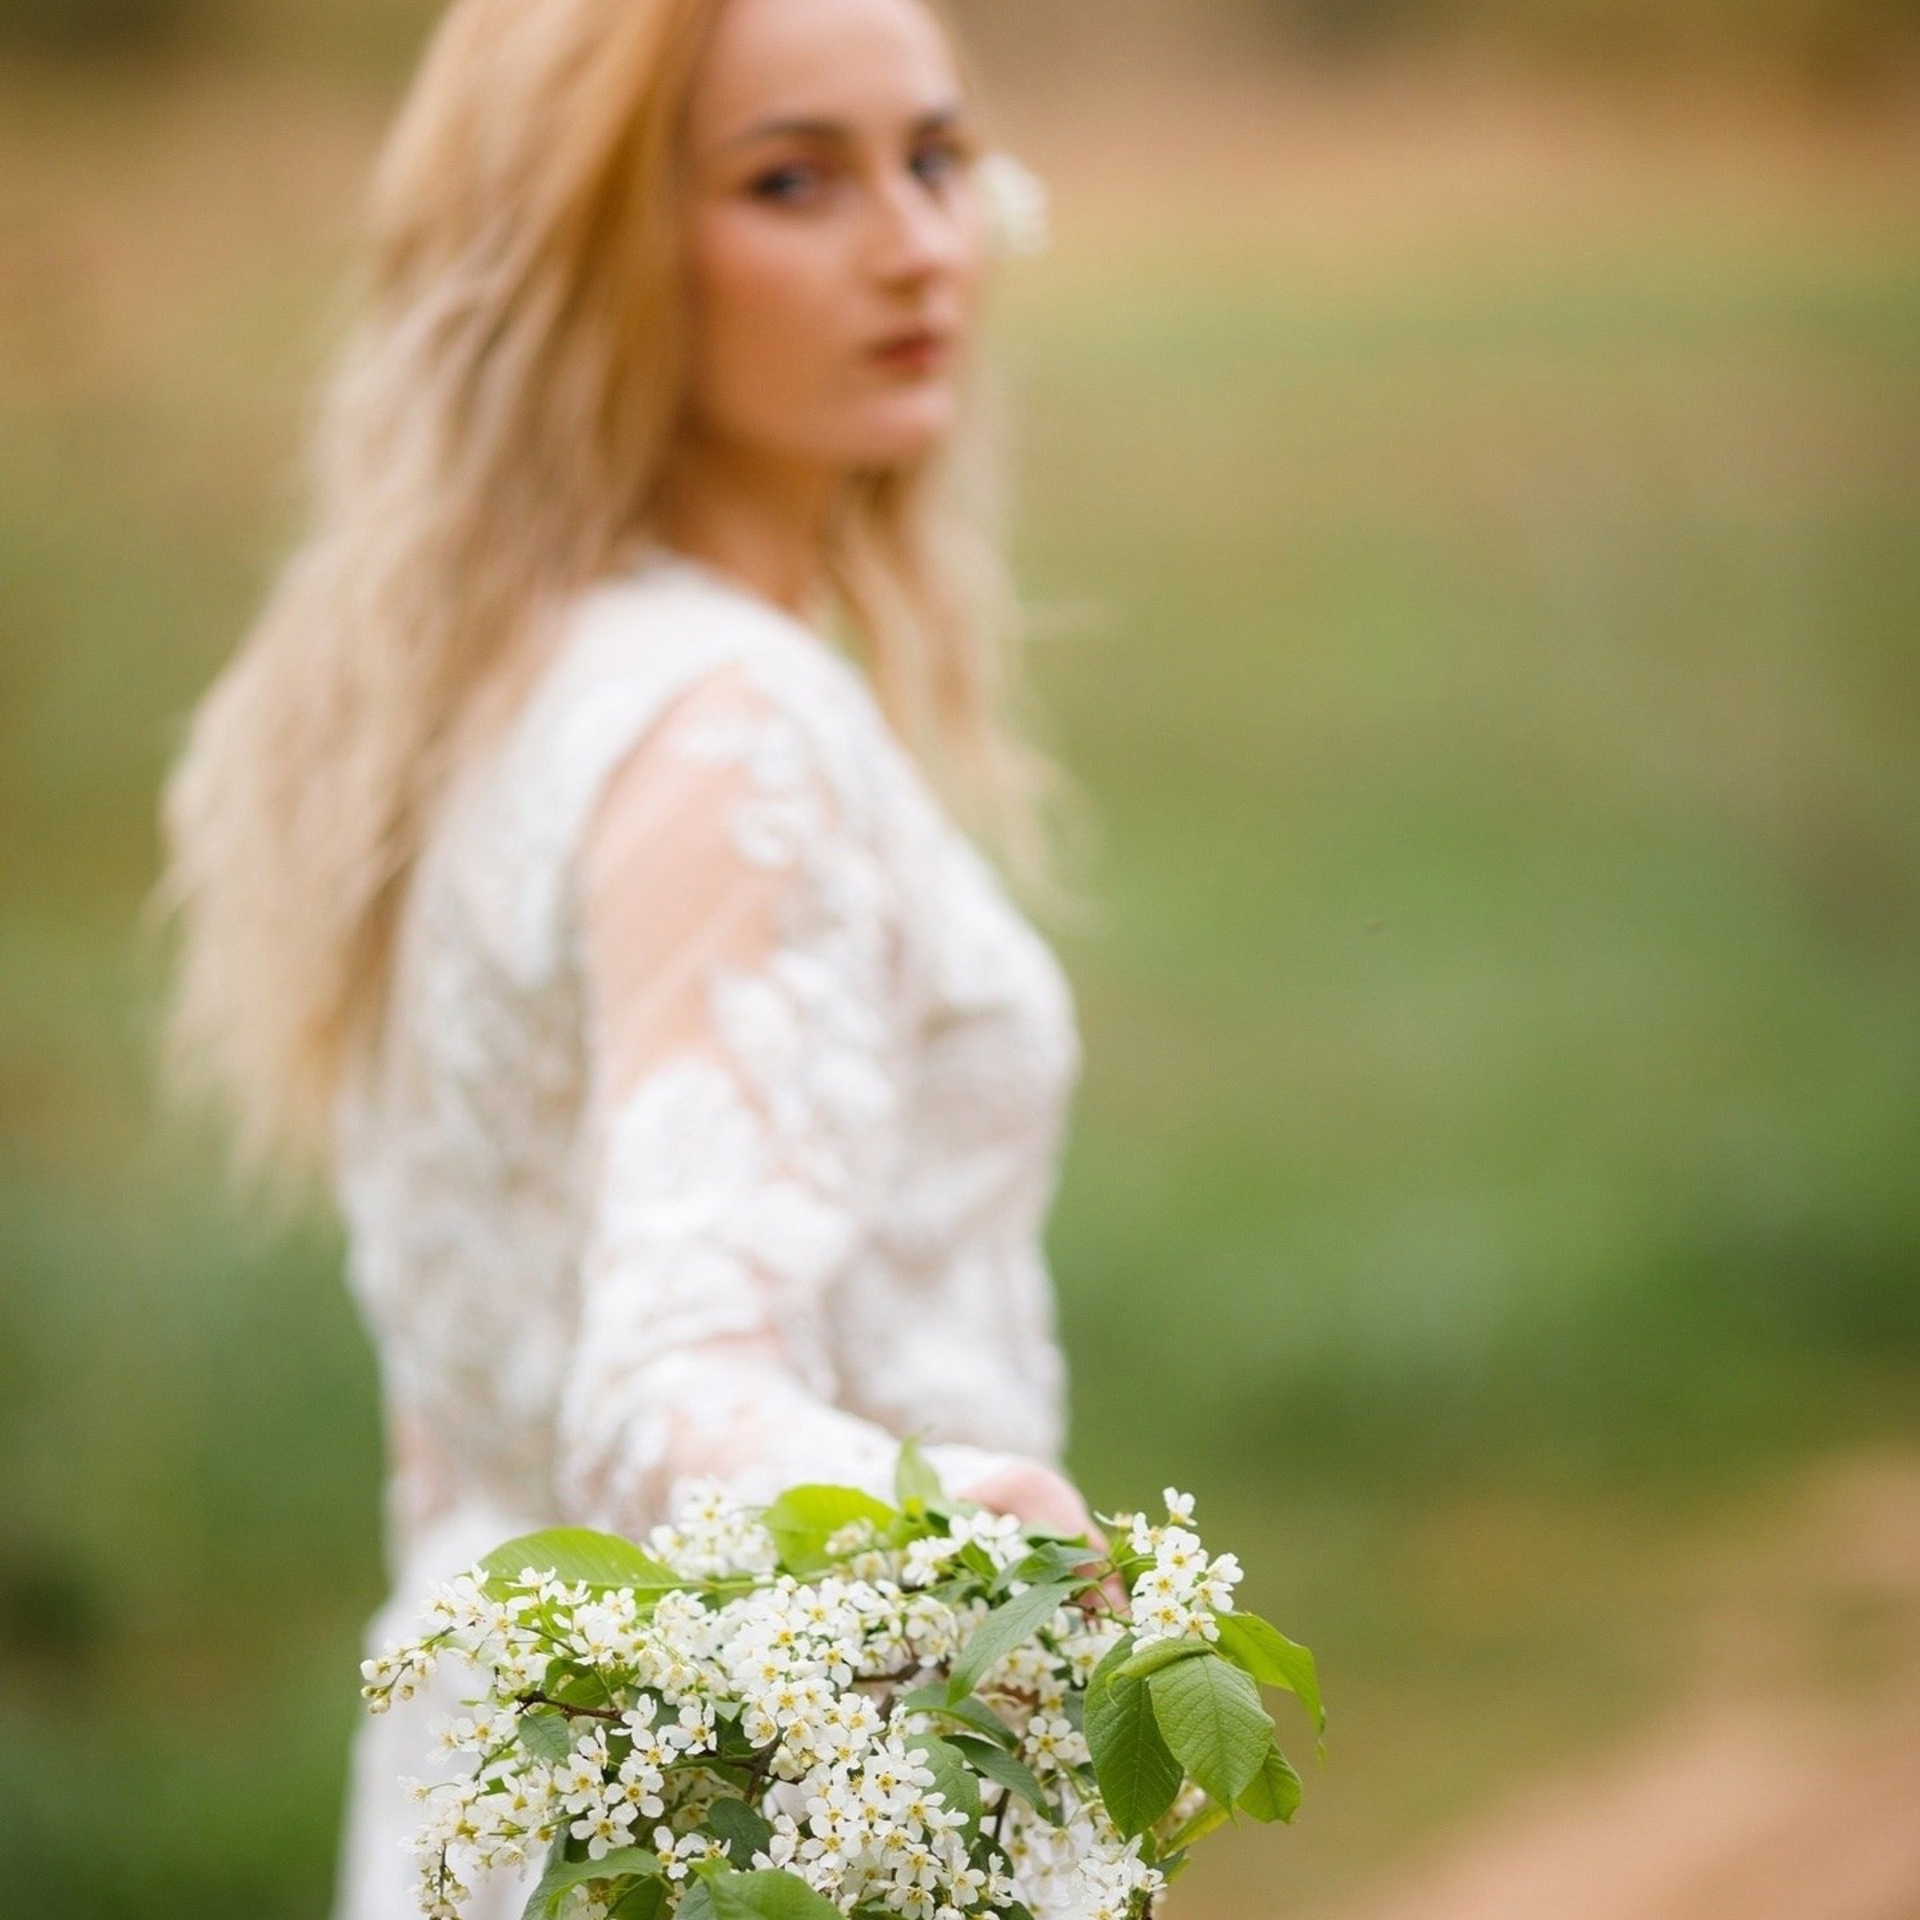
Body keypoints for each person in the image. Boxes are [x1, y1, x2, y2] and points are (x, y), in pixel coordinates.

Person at [157, 0, 1118, 1912]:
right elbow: (667, 1379)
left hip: (486, 1783)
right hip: (766, 1822)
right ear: (581, 248)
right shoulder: (725, 728)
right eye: (793, 180)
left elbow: (459, 1432)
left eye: (933, 157)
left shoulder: (470, 689)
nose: (920, 242)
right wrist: (963, 1530)